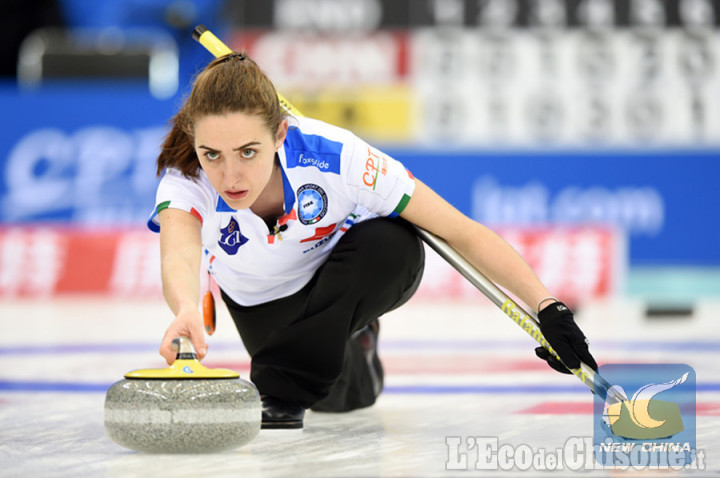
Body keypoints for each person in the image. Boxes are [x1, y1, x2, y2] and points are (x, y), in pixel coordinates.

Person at [148, 51, 598, 430]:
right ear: (195, 143)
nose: (230, 176)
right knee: (341, 399)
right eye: (213, 155)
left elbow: (460, 231)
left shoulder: (338, 158)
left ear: (280, 133)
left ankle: (317, 351)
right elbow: (180, 253)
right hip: (260, 298)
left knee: (394, 244)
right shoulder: (186, 175)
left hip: (339, 277)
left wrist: (546, 306)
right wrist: (187, 307)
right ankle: (353, 344)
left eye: (248, 151)